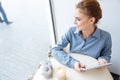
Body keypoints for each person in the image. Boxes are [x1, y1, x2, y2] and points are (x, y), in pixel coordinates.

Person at [52, 0, 112, 72]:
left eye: (78, 19)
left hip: (92, 72)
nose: (74, 22)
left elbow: (106, 55)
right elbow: (55, 50)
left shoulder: (106, 37)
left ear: (91, 20)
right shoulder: (71, 31)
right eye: (75, 18)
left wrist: (103, 60)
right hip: (73, 69)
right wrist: (73, 63)